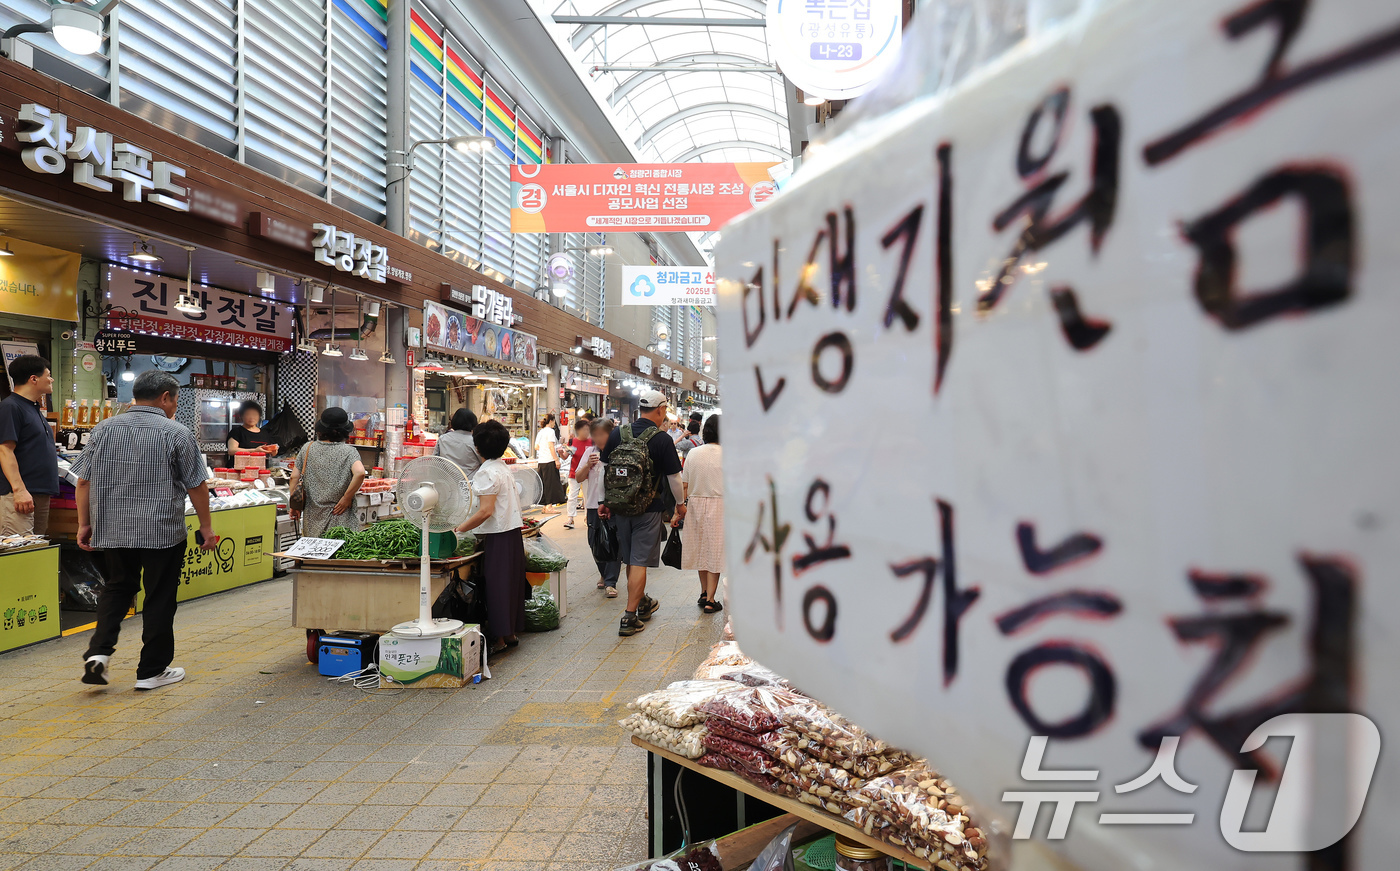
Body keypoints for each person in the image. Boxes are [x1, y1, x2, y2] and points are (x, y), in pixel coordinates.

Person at [74, 370, 220, 690]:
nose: (175, 407)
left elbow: (83, 481)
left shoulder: (103, 429)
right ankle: (151, 671)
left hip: (111, 529)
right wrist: (206, 528)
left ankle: (98, 654)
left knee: (117, 588)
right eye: (175, 400)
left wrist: (85, 523)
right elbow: (196, 484)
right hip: (161, 532)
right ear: (165, 397)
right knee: (159, 597)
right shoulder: (176, 433)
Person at [600, 389, 684, 636]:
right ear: (660, 410)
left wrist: (602, 501)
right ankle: (628, 617)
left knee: (630, 559)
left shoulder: (618, 433)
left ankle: (642, 602)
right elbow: (674, 478)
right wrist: (680, 504)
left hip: (619, 508)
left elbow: (603, 470)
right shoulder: (661, 439)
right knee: (639, 562)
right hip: (649, 510)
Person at [454, 419, 528, 653]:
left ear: (477, 447)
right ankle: (510, 632)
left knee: (497, 587)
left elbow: (485, 511)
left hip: (498, 535)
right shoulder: (502, 467)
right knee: (510, 585)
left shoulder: (486, 473)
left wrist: (460, 529)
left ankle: (500, 639)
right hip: (512, 533)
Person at [0, 355, 58, 535]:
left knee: (35, 553)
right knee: (19, 554)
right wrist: (19, 490)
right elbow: (5, 450)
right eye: (48, 375)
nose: (51, 379)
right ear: (34, 378)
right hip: (19, 494)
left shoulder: (32, 408)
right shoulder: (11, 407)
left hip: (37, 493)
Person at [288, 407, 366, 538]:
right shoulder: (349, 452)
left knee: (314, 555)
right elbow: (360, 473)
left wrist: (294, 504)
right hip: (340, 517)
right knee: (340, 555)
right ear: (344, 431)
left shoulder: (308, 448)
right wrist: (346, 498)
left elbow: (294, 477)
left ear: (321, 430)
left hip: (312, 518)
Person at [677, 415, 724, 612]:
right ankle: (711, 600)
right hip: (720, 506)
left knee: (701, 548)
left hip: (695, 505)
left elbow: (684, 485)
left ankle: (704, 592)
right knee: (715, 552)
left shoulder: (694, 453)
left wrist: (677, 511)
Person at [575, 418, 620, 597]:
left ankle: (610, 581)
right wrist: (588, 465)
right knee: (594, 542)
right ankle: (603, 573)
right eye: (595, 435)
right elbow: (578, 478)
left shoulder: (618, 453)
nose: (599, 438)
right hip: (593, 505)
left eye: (602, 434)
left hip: (614, 505)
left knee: (614, 543)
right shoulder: (589, 452)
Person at [434, 408, 481, 478]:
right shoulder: (475, 441)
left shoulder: (443, 439)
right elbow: (483, 461)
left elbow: (434, 460)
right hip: (470, 483)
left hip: (447, 482)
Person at [563, 418, 591, 530]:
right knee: (572, 496)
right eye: (585, 429)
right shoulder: (573, 442)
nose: (587, 432)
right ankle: (570, 518)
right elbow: (565, 456)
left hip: (588, 474)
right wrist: (561, 453)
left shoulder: (592, 442)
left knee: (588, 497)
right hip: (574, 473)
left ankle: (587, 518)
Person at [534, 413, 567, 506]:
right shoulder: (550, 431)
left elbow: (536, 447)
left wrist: (543, 449)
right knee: (551, 485)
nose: (554, 424)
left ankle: (545, 506)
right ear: (551, 421)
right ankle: (549, 506)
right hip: (549, 460)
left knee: (543, 484)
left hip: (541, 461)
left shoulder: (541, 432)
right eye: (554, 422)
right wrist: (556, 459)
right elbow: (551, 446)